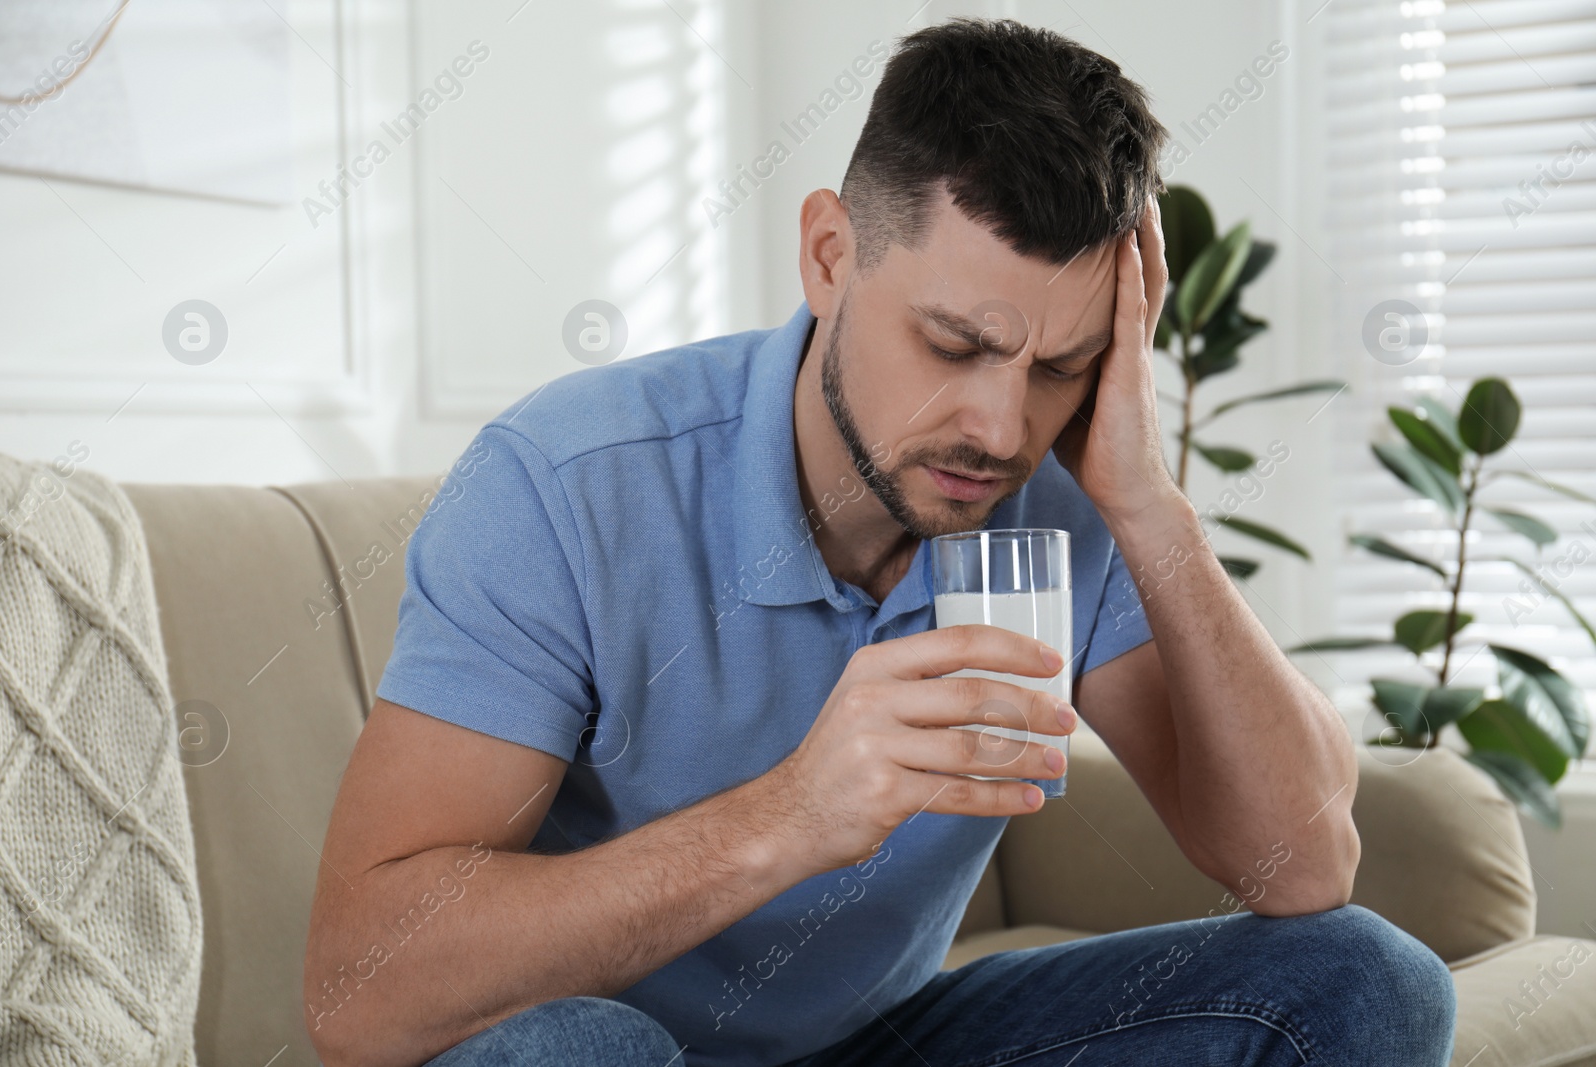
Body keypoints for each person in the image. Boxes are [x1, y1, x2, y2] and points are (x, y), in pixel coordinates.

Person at [304, 17, 1457, 1067]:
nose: (1000, 429)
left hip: (883, 1041)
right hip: (610, 1036)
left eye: (1059, 366)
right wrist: (793, 815)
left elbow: (1303, 865)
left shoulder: (1062, 500)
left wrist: (1147, 502)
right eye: (955, 343)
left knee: (1362, 977)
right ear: (827, 255)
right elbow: (358, 990)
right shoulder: (565, 484)